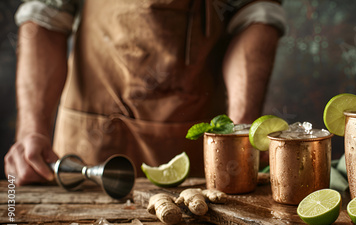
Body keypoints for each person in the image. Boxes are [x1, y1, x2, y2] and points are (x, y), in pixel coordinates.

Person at [4, 0, 286, 185]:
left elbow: (254, 16)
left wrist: (240, 128)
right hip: (88, 143)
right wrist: (32, 130)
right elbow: (46, 17)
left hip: (198, 148)